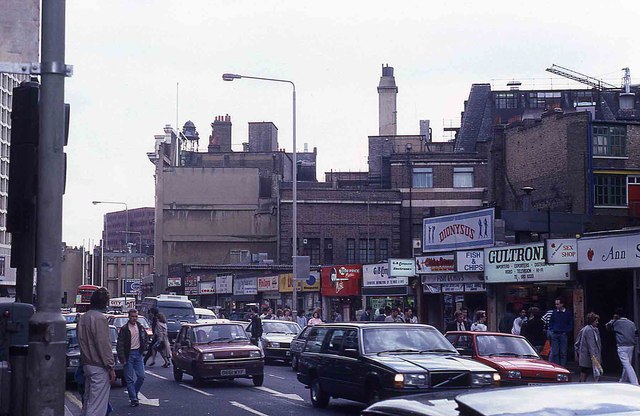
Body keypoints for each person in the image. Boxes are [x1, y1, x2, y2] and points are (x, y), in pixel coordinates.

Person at [77, 287, 116, 416]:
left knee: (88, 401)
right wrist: (110, 367)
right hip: (99, 365)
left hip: (86, 364)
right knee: (97, 406)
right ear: (105, 302)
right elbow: (103, 345)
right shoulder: (100, 318)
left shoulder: (83, 318)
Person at [116, 309, 149, 407]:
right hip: (128, 354)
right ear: (129, 317)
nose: (134, 318)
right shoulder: (125, 329)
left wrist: (144, 348)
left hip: (138, 354)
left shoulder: (140, 327)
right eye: (132, 316)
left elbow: (145, 337)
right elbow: (120, 344)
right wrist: (122, 357)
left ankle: (134, 392)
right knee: (129, 379)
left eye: (136, 316)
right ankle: (133, 399)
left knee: (141, 376)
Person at [606, 308, 639, 385]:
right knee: (627, 364)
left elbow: (607, 327)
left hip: (622, 346)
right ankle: (622, 381)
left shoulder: (616, 322)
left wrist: (613, 319)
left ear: (617, 315)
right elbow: (636, 333)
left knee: (627, 365)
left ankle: (635, 382)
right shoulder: (631, 323)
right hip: (631, 345)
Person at [575, 312, 602, 382]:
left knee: (586, 372)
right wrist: (595, 359)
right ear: (591, 321)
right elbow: (591, 345)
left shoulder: (594, 329)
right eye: (596, 321)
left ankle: (582, 384)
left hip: (588, 356)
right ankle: (581, 385)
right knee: (585, 371)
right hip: (587, 356)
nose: (597, 322)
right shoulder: (588, 330)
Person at [549, 297, 574, 366]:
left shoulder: (567, 313)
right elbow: (551, 322)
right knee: (555, 352)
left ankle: (562, 366)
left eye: (558, 304)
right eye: (556, 304)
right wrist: (552, 329)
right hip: (555, 333)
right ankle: (557, 367)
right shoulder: (554, 312)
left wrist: (567, 331)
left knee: (563, 352)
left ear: (562, 304)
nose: (556, 305)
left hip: (563, 334)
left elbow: (570, 323)